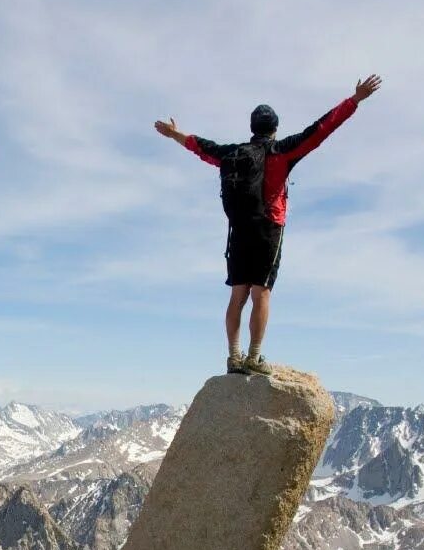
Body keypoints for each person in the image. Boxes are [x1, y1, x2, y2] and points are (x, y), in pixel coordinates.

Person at [155, 74, 382, 376]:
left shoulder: (231, 154)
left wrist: (174, 134)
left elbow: (200, 146)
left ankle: (233, 357)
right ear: (274, 129)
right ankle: (254, 357)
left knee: (238, 294)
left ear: (252, 129)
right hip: (268, 228)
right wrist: (354, 100)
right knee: (261, 292)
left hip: (238, 229)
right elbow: (322, 128)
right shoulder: (282, 151)